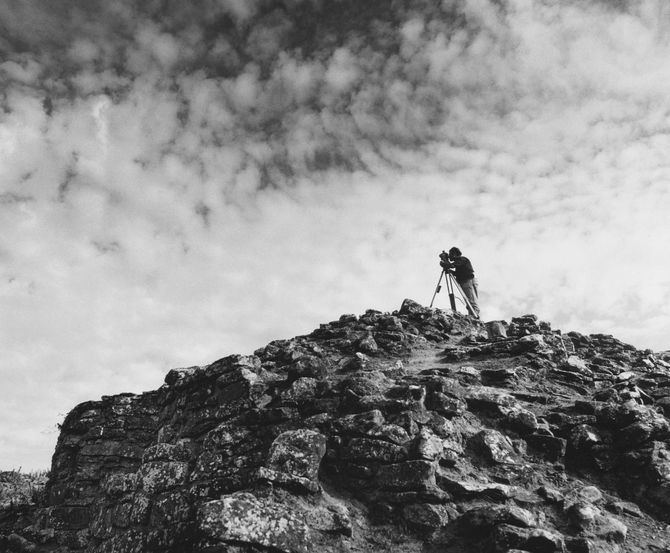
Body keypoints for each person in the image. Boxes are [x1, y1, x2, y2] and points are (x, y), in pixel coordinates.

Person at [440, 247, 480, 318]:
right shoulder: (460, 262)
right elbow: (458, 272)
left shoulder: (462, 259)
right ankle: (472, 315)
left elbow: (451, 265)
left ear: (454, 254)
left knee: (471, 300)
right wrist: (448, 267)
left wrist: (445, 261)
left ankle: (475, 316)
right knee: (469, 300)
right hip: (466, 281)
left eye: (450, 254)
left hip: (468, 281)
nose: (449, 256)